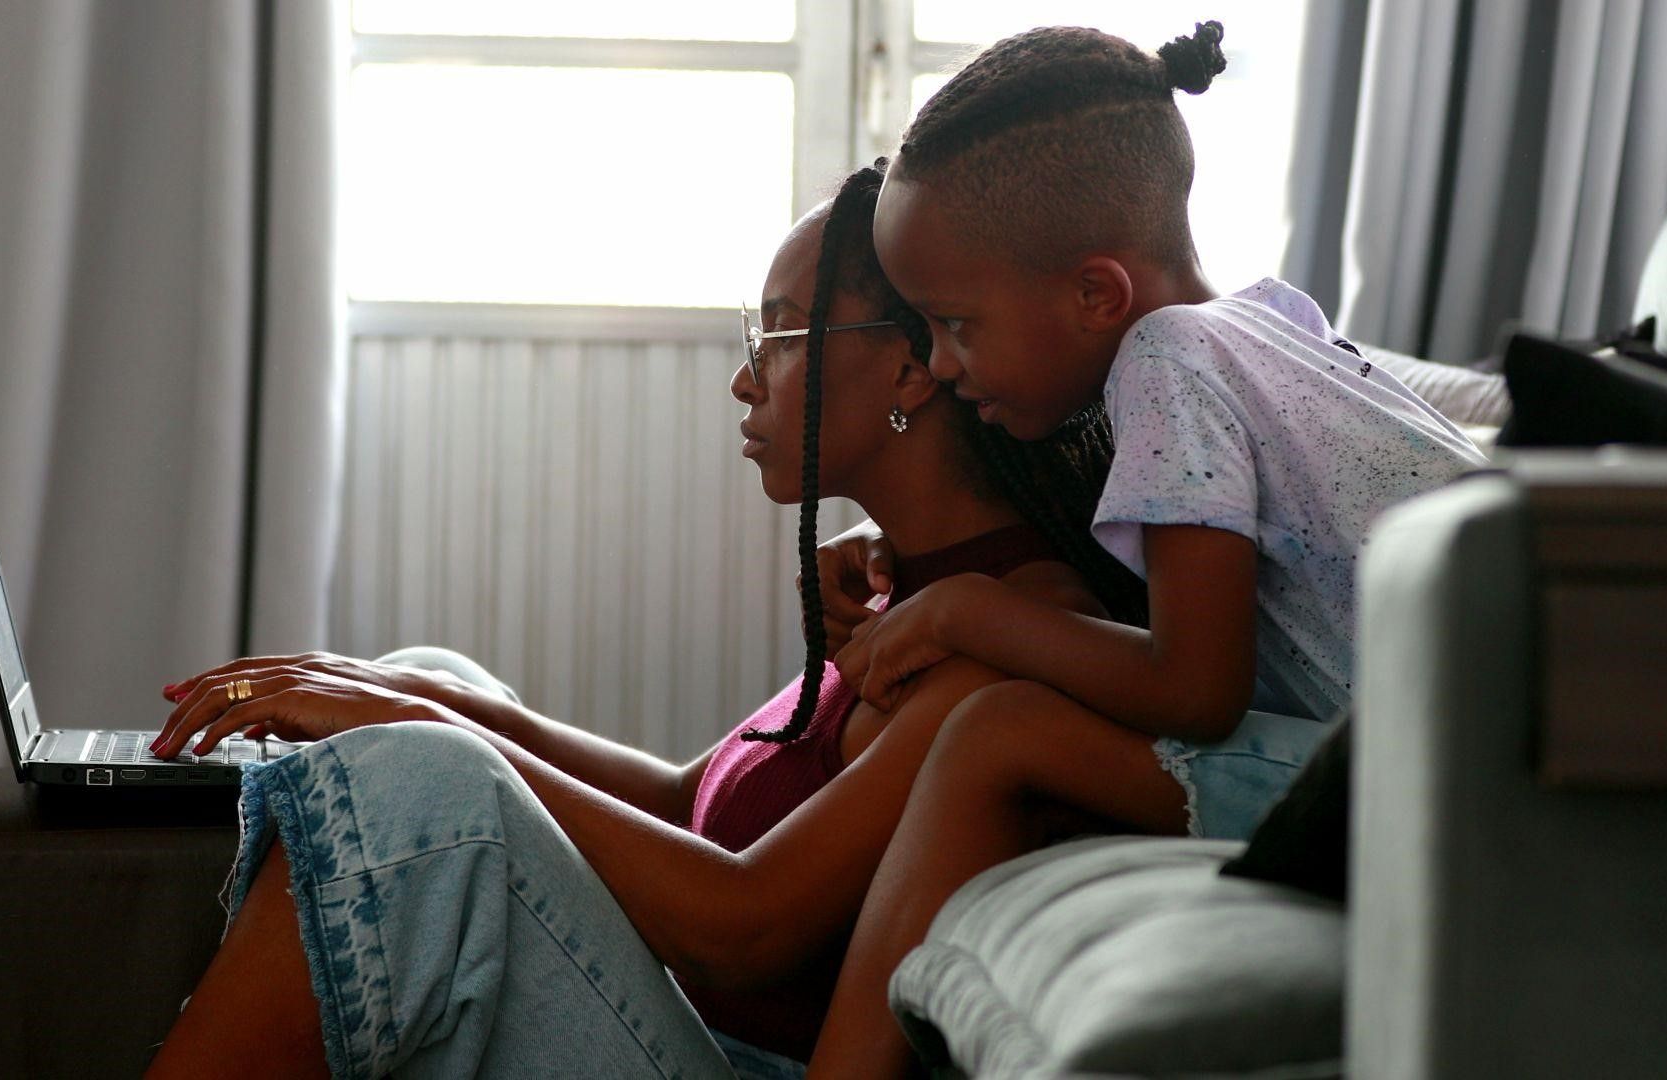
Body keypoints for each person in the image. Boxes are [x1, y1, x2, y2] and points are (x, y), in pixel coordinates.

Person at [141, 160, 1140, 1079]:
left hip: (743, 1061)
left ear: (911, 368)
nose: (745, 379)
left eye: (778, 335)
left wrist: (431, 736)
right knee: (432, 675)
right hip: (696, 1027)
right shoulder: (902, 596)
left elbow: (742, 922)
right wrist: (417, 696)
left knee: (425, 781)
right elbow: (684, 799)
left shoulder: (997, 639)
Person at [800, 21, 1491, 1077]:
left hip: (1427, 790)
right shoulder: (1261, 322)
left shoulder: (1165, 362)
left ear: (1094, 296)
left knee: (997, 732)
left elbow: (1191, 686)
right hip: (1467, 759)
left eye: (954, 325)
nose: (938, 365)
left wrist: (961, 611)